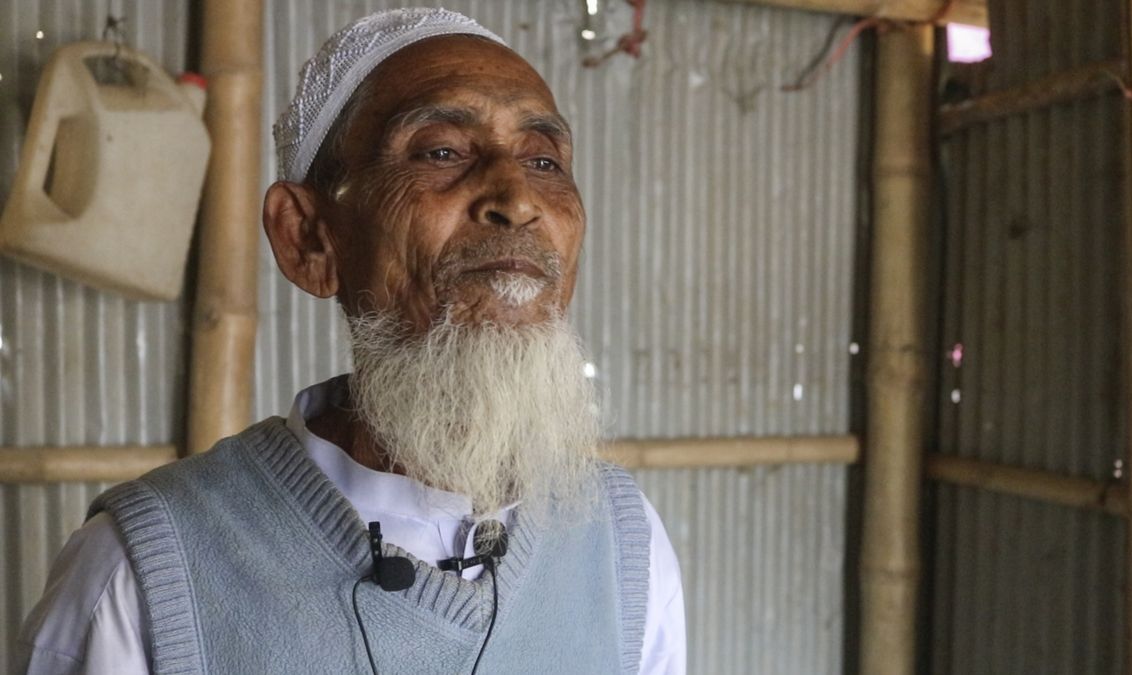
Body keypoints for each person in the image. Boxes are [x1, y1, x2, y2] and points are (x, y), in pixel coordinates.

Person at [17, 8, 684, 674]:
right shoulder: (143, 574)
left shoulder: (625, 547)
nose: (516, 198)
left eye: (544, 160)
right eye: (442, 151)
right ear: (308, 236)